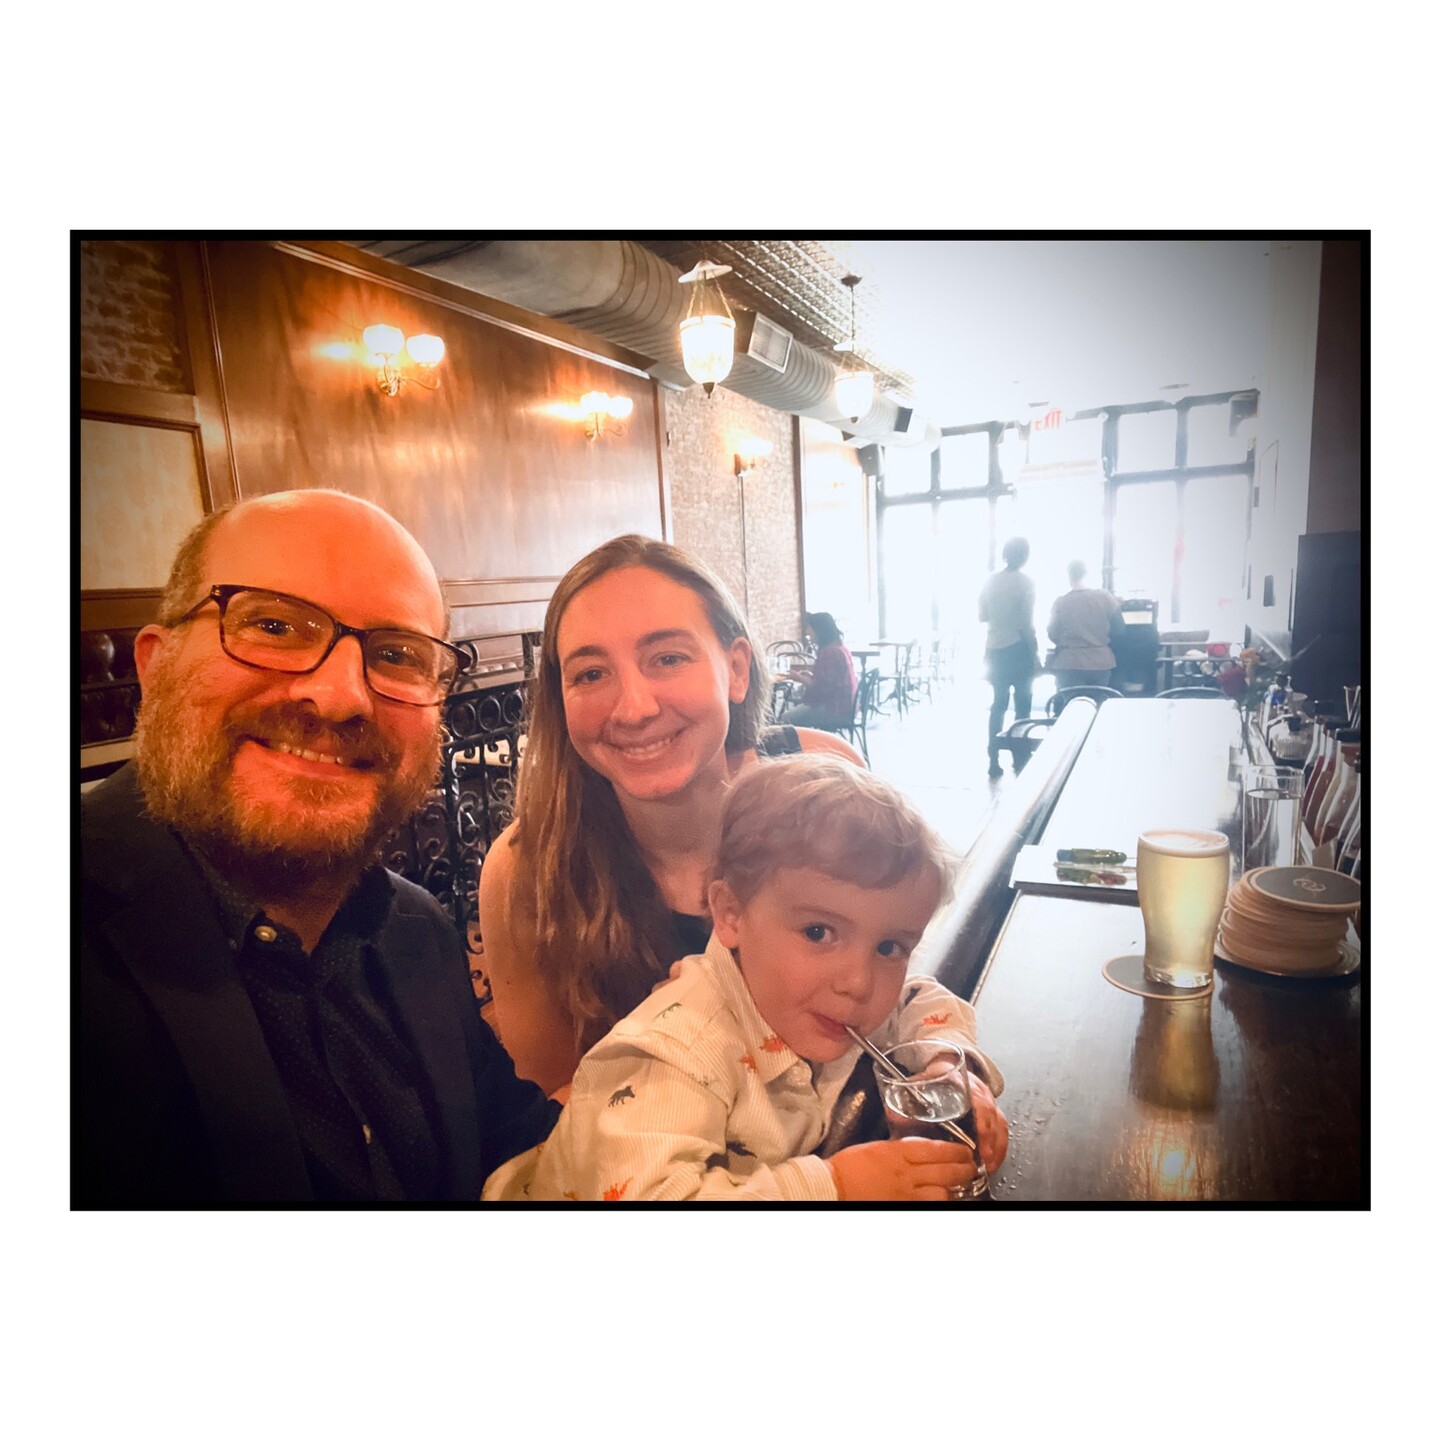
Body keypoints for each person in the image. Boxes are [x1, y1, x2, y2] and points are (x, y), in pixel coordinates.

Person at [79, 489, 559, 1205]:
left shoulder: (417, 930)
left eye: (395, 654)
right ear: (155, 666)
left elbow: (522, 1151)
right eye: (274, 625)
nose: (339, 697)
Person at [483, 755, 1007, 1201]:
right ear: (730, 913)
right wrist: (834, 1186)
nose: (860, 982)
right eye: (820, 932)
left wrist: (945, 1062)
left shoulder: (822, 997)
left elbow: (918, 998)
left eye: (890, 947)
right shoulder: (677, 1055)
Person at [479, 535, 864, 1098]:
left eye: (667, 658)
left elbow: (893, 982)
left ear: (734, 669)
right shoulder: (524, 872)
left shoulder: (829, 783)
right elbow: (550, 1104)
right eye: (590, 674)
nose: (634, 708)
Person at [979, 535, 1037, 777]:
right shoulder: (1026, 583)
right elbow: (1026, 623)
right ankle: (1020, 756)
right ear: (1025, 556)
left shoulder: (990, 581)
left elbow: (982, 616)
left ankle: (993, 758)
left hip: (993, 649)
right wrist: (1035, 651)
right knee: (1023, 705)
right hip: (1018, 648)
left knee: (998, 705)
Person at [1047, 559, 1121, 690]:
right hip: (1100, 662)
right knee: (1098, 705)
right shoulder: (1105, 598)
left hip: (1069, 662)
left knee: (1070, 706)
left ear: (1069, 575)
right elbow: (1120, 629)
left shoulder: (1061, 602)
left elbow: (1052, 633)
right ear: (1087, 573)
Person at [779, 611, 857, 731]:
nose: (807, 632)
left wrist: (799, 678)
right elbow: (828, 682)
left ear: (819, 630)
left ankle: (795, 748)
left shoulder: (829, 652)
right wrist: (808, 676)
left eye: (809, 628)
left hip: (834, 709)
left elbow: (822, 688)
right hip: (847, 706)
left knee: (785, 718)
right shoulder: (840, 647)